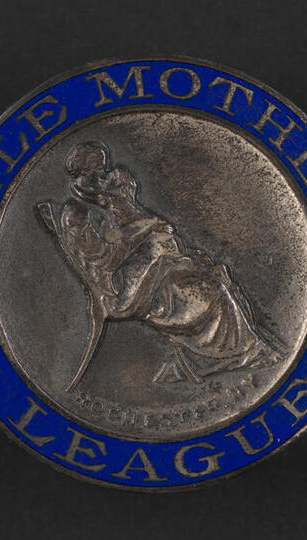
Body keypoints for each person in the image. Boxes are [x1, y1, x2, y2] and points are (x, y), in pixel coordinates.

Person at [44, 141, 280, 385]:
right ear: (83, 170)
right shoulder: (77, 211)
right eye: (98, 168)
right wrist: (143, 232)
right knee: (214, 293)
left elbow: (134, 221)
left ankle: (233, 353)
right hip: (126, 281)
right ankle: (235, 355)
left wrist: (143, 225)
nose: (104, 172)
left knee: (215, 277)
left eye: (103, 167)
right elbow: (103, 258)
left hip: (151, 263)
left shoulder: (106, 193)